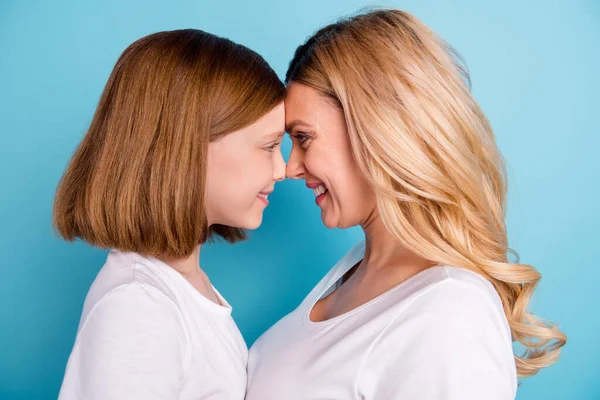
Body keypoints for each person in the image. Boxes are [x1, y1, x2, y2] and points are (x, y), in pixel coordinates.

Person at [246, 9, 566, 400]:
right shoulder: (353, 269)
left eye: (304, 138)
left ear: (376, 129)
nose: (290, 168)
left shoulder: (451, 313)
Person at [54, 29, 285, 400]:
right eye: (270, 146)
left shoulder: (179, 288)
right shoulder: (138, 309)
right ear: (190, 146)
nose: (282, 169)